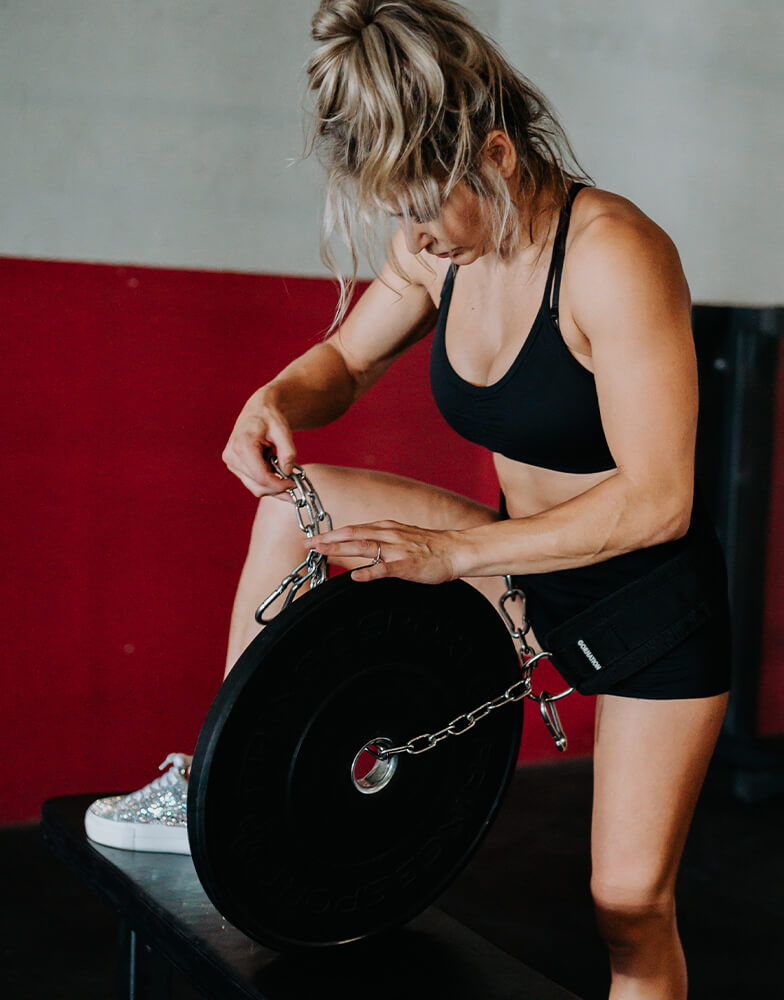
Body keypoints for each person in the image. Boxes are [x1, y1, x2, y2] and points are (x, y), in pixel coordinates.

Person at [85, 2, 732, 996]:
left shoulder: (614, 255)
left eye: (427, 209)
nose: (415, 236)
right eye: (401, 212)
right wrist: (276, 398)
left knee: (627, 905)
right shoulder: (436, 245)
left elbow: (659, 501)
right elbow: (346, 362)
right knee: (292, 504)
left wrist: (457, 556)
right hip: (520, 562)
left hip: (644, 602)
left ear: (498, 157)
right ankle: (223, 788)